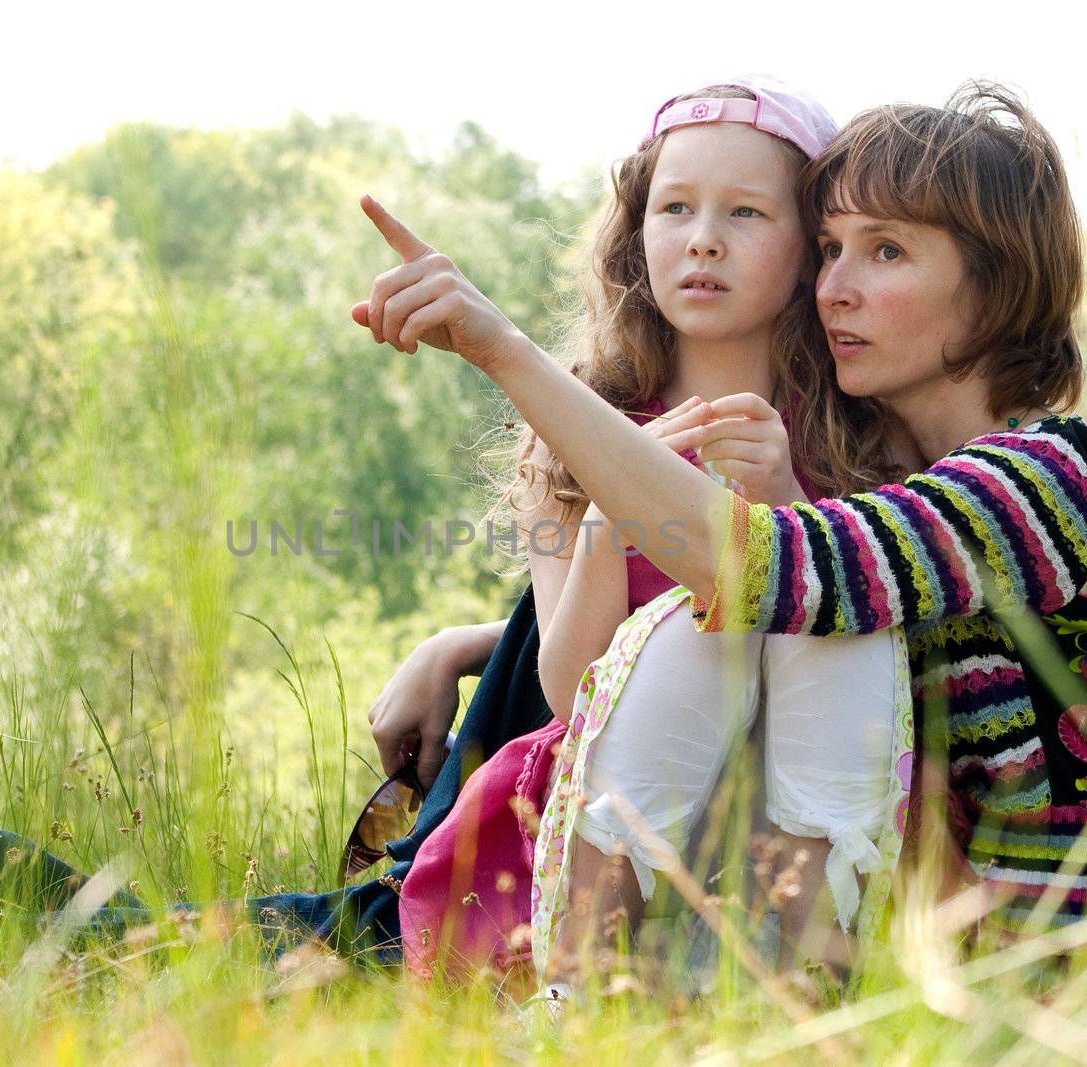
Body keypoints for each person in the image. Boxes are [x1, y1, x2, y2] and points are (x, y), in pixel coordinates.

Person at [353, 81, 1087, 958]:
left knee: (774, 614)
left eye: (887, 252)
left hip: (998, 969)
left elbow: (770, 570)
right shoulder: (918, 487)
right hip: (877, 906)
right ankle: (617, 996)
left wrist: (503, 350)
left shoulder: (1037, 481)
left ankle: (639, 994)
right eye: (829, 250)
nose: (835, 289)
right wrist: (479, 642)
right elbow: (808, 578)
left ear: (996, 285)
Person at [383, 77, 908, 987]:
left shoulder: (861, 431)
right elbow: (565, 687)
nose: (703, 237)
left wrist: (782, 492)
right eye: (675, 207)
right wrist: (601, 524)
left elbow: (852, 622)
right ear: (637, 233)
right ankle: (590, 991)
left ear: (810, 250)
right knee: (682, 640)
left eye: (746, 212)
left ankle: (792, 986)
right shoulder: (569, 433)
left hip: (784, 825)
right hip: (608, 816)